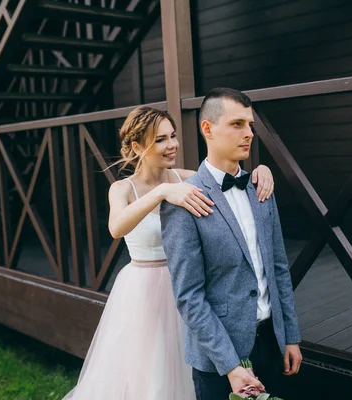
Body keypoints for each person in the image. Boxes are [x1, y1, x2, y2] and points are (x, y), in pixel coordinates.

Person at [62, 105, 277, 400]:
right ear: (138, 147)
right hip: (146, 291)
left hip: (190, 284)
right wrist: (161, 193)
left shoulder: (184, 177)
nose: (172, 145)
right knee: (153, 371)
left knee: (194, 360)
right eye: (160, 139)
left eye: (173, 136)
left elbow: (226, 176)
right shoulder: (123, 189)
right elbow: (116, 227)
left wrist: (260, 171)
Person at [160, 88, 303, 400]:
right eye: (237, 124)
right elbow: (189, 297)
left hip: (273, 345)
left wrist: (290, 336)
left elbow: (279, 269)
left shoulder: (261, 187)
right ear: (208, 129)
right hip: (218, 357)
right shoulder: (184, 200)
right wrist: (230, 365)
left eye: (250, 125)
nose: (249, 133)